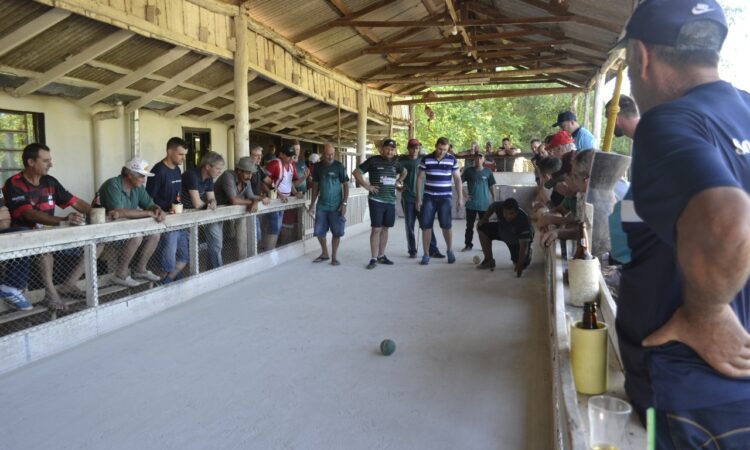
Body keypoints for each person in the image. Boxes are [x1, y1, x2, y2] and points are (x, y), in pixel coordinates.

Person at [618, 1, 750, 447]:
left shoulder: (670, 121)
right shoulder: (745, 110)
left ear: (642, 56)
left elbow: (727, 222)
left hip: (694, 394)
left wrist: (708, 312)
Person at [1, 143, 93, 310]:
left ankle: (69, 284)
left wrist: (97, 213)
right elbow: (30, 214)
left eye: (50, 160)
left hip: (51, 235)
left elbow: (75, 202)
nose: (51, 164)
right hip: (26, 240)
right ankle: (51, 295)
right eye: (46, 161)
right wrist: (63, 220)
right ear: (30, 162)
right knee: (45, 250)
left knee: (96, 241)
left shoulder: (49, 181)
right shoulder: (14, 183)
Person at [99, 157, 166, 287]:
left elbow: (149, 204)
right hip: (106, 232)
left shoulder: (138, 187)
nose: (144, 180)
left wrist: (157, 209)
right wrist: (147, 213)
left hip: (127, 229)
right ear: (129, 175)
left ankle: (140, 269)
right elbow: (118, 212)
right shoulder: (113, 184)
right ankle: (120, 274)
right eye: (141, 176)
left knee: (155, 234)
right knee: (136, 236)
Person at [352, 138, 407, 269]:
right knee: (376, 228)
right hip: (376, 200)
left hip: (390, 200)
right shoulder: (373, 160)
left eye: (392, 149)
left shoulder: (396, 162)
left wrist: (399, 182)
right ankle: (373, 258)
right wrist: (367, 186)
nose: (390, 151)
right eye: (387, 148)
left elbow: (404, 171)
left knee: (386, 228)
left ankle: (381, 255)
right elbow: (356, 172)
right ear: (382, 149)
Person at [146, 137, 189, 284]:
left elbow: (177, 196)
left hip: (178, 219)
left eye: (185, 155)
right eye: (180, 154)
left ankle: (169, 279)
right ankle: (164, 283)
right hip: (164, 222)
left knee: (183, 257)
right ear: (170, 152)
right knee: (168, 261)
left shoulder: (177, 169)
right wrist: (160, 211)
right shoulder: (158, 171)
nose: (184, 158)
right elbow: (147, 200)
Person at [416, 137, 462, 265]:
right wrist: (418, 198)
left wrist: (460, 197)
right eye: (440, 149)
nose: (442, 152)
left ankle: (450, 250)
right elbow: (420, 178)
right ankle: (426, 254)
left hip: (445, 197)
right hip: (429, 197)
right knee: (426, 226)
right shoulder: (426, 159)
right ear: (436, 146)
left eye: (445, 150)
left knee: (446, 225)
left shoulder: (452, 159)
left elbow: (457, 179)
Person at [213, 156, 259, 267]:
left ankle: (240, 264)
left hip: (228, 213)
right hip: (213, 212)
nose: (250, 176)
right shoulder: (228, 175)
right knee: (216, 244)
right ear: (239, 170)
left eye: (251, 173)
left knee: (235, 240)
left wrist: (256, 201)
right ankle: (216, 271)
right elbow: (234, 200)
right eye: (247, 173)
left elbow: (251, 196)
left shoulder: (246, 181)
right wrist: (252, 202)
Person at [398, 138, 440, 259]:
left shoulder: (424, 159)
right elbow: (396, 177)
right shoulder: (401, 161)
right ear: (408, 149)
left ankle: (433, 249)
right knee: (409, 225)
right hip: (408, 198)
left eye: (417, 148)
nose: (414, 150)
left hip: (423, 198)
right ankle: (412, 250)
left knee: (426, 224)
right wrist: (398, 185)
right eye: (412, 148)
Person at [182, 151, 224, 269]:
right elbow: (197, 203)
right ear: (207, 166)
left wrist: (212, 203)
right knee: (185, 254)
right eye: (218, 168)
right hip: (183, 215)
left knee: (216, 244)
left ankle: (214, 270)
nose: (220, 171)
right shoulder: (192, 175)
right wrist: (209, 204)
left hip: (197, 215)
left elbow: (212, 199)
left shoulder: (209, 178)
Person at [309, 143, 349, 266]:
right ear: (323, 154)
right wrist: (312, 203)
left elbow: (346, 185)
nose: (330, 156)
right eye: (327, 154)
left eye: (332, 154)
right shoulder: (318, 167)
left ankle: (334, 257)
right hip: (322, 205)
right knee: (319, 232)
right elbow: (315, 186)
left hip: (336, 206)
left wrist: (344, 202)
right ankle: (325, 253)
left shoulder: (339, 166)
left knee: (337, 233)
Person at [476, 198, 533, 276]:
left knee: (521, 264)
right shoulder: (499, 206)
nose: (508, 216)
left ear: (517, 212)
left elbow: (523, 246)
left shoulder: (524, 221)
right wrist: (485, 218)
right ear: (503, 210)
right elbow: (492, 206)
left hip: (517, 240)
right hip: (503, 230)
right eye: (505, 213)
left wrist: (520, 263)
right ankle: (489, 260)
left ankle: (528, 255)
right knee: (481, 227)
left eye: (512, 213)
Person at [264, 144, 302, 250]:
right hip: (274, 200)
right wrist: (277, 195)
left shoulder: (291, 165)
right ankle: (268, 251)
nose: (291, 158)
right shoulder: (275, 164)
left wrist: (295, 192)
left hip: (284, 200)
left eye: (292, 156)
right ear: (281, 154)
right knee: (274, 226)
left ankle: (268, 250)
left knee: (277, 225)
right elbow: (264, 182)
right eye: (288, 156)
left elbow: (291, 183)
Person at [461, 152, 496, 251]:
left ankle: (486, 246)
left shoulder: (488, 171)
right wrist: (464, 195)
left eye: (480, 158)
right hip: (471, 204)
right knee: (469, 226)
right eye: (476, 158)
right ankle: (468, 245)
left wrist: (494, 199)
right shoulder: (468, 171)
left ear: (483, 160)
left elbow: (492, 186)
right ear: (474, 159)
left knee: (485, 227)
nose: (478, 160)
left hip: (484, 205)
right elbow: (458, 181)